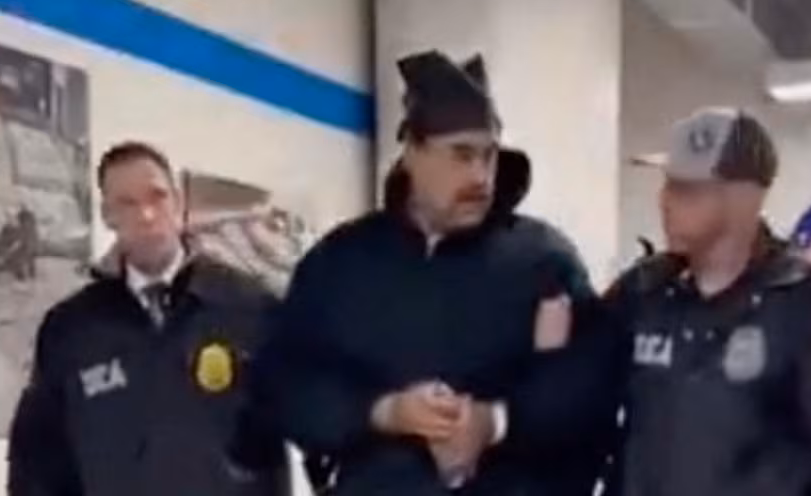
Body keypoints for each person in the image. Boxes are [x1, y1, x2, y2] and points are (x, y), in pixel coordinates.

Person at [229, 50, 625, 496]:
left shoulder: (542, 262)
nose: (480, 176)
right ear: (412, 154)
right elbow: (285, 383)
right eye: (461, 156)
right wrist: (383, 412)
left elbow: (590, 387)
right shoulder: (342, 262)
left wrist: (494, 421)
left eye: (489, 156)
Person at [604, 108, 811, 496]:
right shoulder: (644, 293)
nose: (665, 201)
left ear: (744, 199)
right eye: (667, 185)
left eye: (687, 190)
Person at [7, 142, 290, 496]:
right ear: (108, 216)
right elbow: (37, 461)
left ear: (179, 204)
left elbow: (310, 419)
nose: (146, 215)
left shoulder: (250, 307)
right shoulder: (71, 329)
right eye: (127, 203)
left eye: (157, 196)